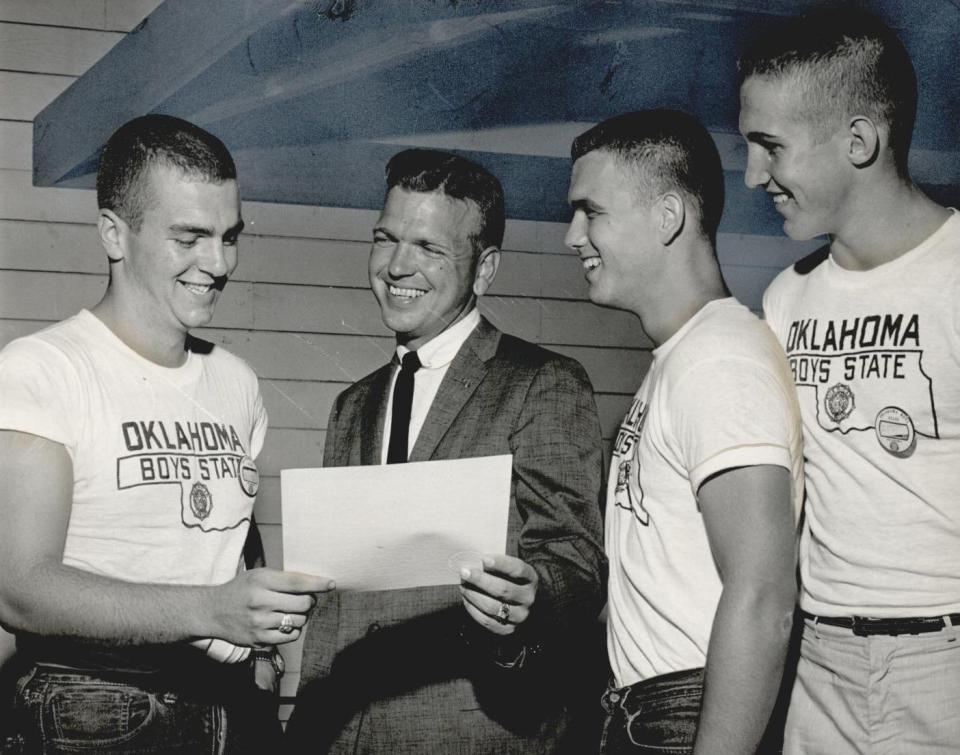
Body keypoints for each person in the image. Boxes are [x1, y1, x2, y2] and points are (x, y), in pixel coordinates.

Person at [0, 114, 333, 753]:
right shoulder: (43, 369)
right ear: (114, 234)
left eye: (229, 236)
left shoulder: (236, 381)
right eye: (190, 238)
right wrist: (210, 610)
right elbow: (20, 589)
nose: (219, 263)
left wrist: (258, 652)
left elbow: (231, 536)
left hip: (232, 708)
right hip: (95, 708)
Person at [285, 148, 607, 754]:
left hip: (477, 734)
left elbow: (575, 563)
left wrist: (527, 600)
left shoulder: (542, 382)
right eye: (386, 239)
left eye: (429, 248)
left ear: (484, 270)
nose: (397, 266)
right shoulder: (351, 407)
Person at [739, 7, 960, 753]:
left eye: (770, 147)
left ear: (859, 140)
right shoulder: (786, 297)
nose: (752, 175)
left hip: (944, 663)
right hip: (818, 664)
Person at [566, 110, 803, 754]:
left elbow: (763, 594)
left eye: (592, 212)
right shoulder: (681, 357)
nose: (572, 237)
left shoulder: (718, 359)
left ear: (668, 217)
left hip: (682, 714)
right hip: (645, 708)